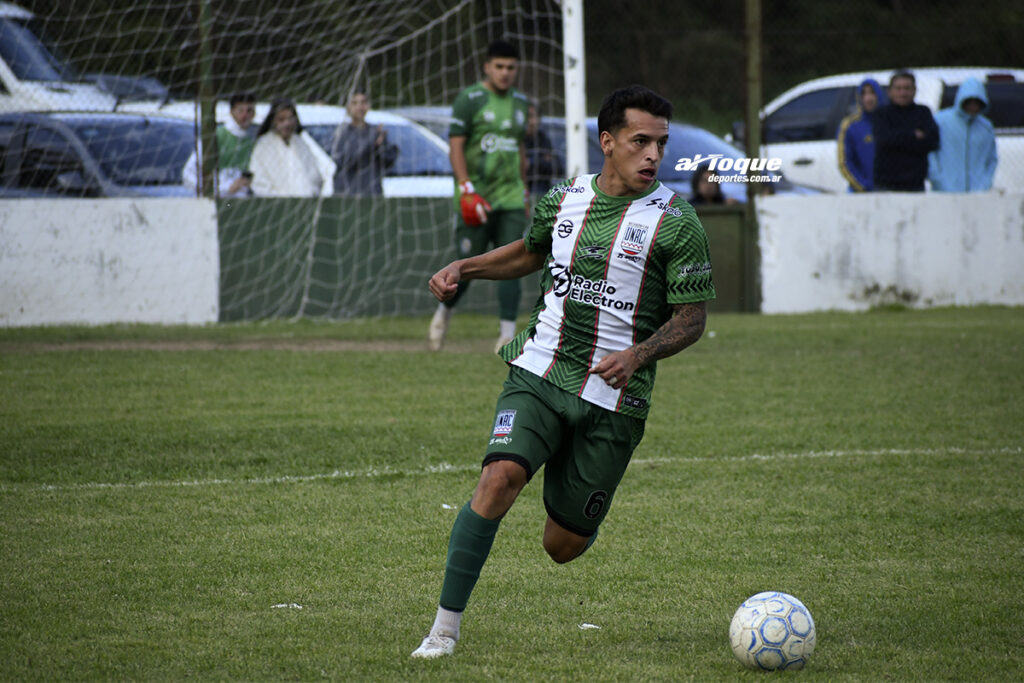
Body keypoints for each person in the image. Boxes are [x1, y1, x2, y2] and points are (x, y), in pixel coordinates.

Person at [411, 85, 715, 659]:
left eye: (661, 143)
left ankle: (573, 488)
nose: (653, 154)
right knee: (498, 479)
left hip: (615, 399)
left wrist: (637, 355)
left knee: (562, 546)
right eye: (640, 141)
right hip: (541, 371)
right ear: (608, 141)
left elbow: (691, 319)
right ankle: (443, 631)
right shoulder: (565, 198)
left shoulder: (678, 223)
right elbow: (532, 251)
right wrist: (465, 267)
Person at [427, 39, 531, 354]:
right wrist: (466, 188)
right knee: (467, 267)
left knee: (513, 263)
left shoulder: (521, 103)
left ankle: (506, 336)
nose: (505, 73)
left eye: (511, 67)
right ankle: (443, 313)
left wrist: (524, 190)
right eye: (499, 66)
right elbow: (456, 146)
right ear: (487, 67)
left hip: (511, 197)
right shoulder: (469, 99)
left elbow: (520, 149)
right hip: (477, 198)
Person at [249, 97, 335, 197]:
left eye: (290, 118)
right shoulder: (263, 146)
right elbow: (259, 182)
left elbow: (315, 177)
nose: (287, 123)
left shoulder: (301, 143)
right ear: (273, 121)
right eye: (281, 119)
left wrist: (310, 192)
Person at [872, 71, 939, 192]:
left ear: (914, 90)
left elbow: (933, 142)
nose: (903, 93)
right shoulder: (881, 114)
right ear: (890, 91)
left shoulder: (923, 112)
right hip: (885, 184)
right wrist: (913, 135)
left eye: (907, 88)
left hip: (915, 184)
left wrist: (897, 137)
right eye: (898, 88)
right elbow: (883, 140)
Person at [928, 77, 997, 192]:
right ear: (961, 100)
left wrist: (985, 183)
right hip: (944, 191)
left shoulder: (985, 126)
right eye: (969, 102)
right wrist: (938, 180)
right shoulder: (941, 120)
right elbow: (931, 153)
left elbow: (991, 159)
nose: (973, 107)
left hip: (977, 192)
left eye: (977, 103)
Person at [182, 92, 257, 197]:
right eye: (240, 110)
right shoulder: (216, 136)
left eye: (249, 111)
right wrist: (221, 189)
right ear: (232, 112)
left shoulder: (252, 140)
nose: (245, 115)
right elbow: (188, 173)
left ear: (254, 113)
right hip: (217, 199)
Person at [331, 90, 399, 195]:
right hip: (348, 194)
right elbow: (345, 161)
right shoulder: (342, 133)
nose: (360, 107)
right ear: (348, 107)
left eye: (363, 102)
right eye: (355, 103)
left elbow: (388, 162)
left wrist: (382, 147)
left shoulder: (375, 131)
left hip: (372, 193)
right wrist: (371, 144)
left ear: (368, 106)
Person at [837, 79, 886, 192]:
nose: (868, 98)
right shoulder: (850, 126)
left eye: (872, 93)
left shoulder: (889, 122)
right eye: (864, 94)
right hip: (860, 193)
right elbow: (845, 163)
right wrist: (864, 187)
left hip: (889, 190)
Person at [524, 101, 562, 197]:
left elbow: (558, 167)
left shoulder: (544, 140)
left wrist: (531, 163)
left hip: (540, 193)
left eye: (531, 116)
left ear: (539, 119)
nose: (529, 121)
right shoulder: (513, 139)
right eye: (525, 116)